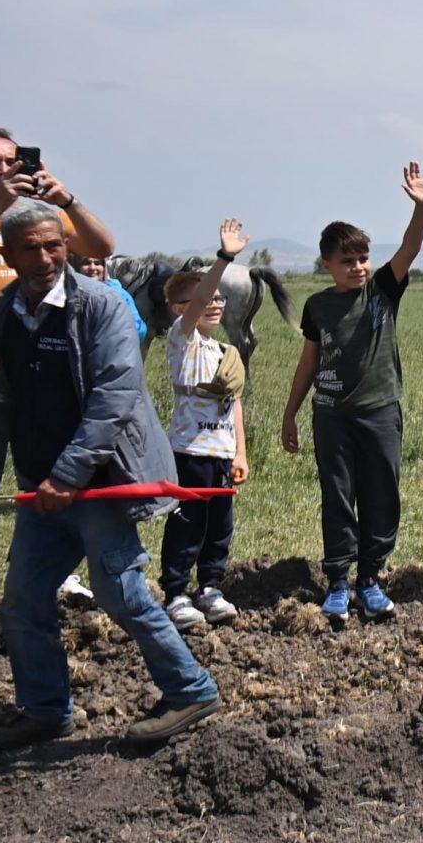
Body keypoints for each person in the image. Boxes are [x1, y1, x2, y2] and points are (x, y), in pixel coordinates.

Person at [0, 198, 219, 750]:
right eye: (30, 248)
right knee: (24, 602)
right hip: (46, 487)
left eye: (54, 245)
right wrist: (43, 477)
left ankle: (191, 689)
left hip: (102, 476)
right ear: (8, 254)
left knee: (122, 592)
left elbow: (114, 397)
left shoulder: (101, 306)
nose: (45, 257)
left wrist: (68, 474)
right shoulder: (1, 313)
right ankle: (47, 709)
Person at [0, 129, 117, 621]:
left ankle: (59, 569)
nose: (4, 170)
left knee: (51, 473)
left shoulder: (44, 220)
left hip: (49, 370)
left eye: (13, 161)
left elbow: (102, 245)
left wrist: (67, 201)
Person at [282, 163, 423, 629]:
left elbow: (410, 247)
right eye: (347, 261)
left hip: (379, 413)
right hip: (331, 416)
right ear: (326, 265)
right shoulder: (318, 306)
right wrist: (291, 414)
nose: (358, 267)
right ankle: (338, 582)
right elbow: (310, 361)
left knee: (382, 494)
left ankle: (370, 578)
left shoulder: (382, 292)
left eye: (363, 258)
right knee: (338, 496)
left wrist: (422, 206)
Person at [157, 221, 255, 634]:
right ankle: (177, 593)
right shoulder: (183, 340)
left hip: (220, 453)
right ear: (181, 308)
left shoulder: (225, 351)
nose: (215, 304)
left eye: (219, 298)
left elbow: (233, 404)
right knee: (188, 523)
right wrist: (224, 258)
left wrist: (240, 452)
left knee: (220, 526)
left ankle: (210, 588)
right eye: (204, 299)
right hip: (190, 450)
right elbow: (197, 299)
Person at [74, 254, 149, 345]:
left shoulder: (119, 295)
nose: (92, 267)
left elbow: (138, 329)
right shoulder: (68, 293)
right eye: (86, 263)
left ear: (104, 268)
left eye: (97, 263)